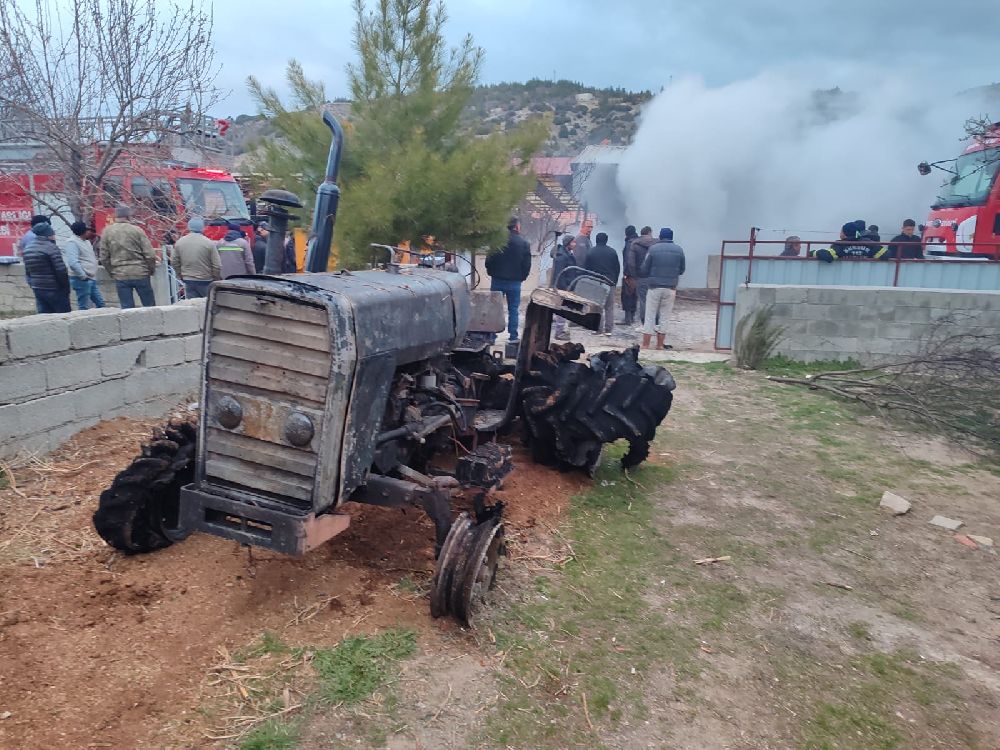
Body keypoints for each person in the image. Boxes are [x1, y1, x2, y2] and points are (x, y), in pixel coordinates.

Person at [99, 204, 157, 307]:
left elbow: (104, 257)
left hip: (120, 275)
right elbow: (150, 254)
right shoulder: (137, 230)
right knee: (149, 306)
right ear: (128, 217)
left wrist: (112, 272)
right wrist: (150, 270)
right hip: (141, 273)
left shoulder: (107, 232)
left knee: (127, 309)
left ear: (116, 216)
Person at [485, 217, 532, 342]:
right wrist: (522, 277)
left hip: (497, 280)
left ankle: (492, 336)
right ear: (516, 227)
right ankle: (513, 336)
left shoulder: (497, 242)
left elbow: (489, 260)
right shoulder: (524, 243)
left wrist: (491, 272)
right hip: (514, 282)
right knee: (513, 309)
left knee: (494, 309)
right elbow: (527, 264)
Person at [639, 227, 685, 350]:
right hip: (671, 288)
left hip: (654, 287)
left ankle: (645, 344)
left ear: (660, 237)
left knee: (650, 315)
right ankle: (659, 345)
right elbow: (682, 270)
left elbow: (644, 268)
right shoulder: (679, 250)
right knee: (665, 316)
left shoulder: (653, 249)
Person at [22, 222, 71, 313]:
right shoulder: (51, 247)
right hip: (54, 288)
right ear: (48, 234)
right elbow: (61, 270)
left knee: (45, 317)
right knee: (63, 316)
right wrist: (65, 288)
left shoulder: (28, 248)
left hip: (38, 288)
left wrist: (33, 285)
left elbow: (28, 272)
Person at [171, 217, 222, 299]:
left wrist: (180, 275)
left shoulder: (180, 242)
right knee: (208, 305)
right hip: (206, 280)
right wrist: (215, 278)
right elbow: (217, 265)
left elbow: (174, 262)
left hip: (188, 280)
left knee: (192, 306)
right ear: (202, 228)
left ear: (189, 227)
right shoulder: (209, 243)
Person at [584, 232, 621, 335]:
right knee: (609, 307)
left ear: (596, 240)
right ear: (606, 240)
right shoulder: (612, 252)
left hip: (596, 283)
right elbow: (617, 268)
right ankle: (608, 330)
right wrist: (614, 281)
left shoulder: (591, 252)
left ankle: (597, 329)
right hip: (609, 281)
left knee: (597, 306)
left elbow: (586, 269)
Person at [64, 221, 105, 309]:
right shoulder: (72, 243)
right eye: (87, 230)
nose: (89, 232)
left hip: (90, 277)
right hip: (81, 279)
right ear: (83, 232)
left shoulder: (86, 242)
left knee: (100, 303)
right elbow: (73, 262)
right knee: (84, 305)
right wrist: (82, 275)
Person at [816, 222, 887, 262]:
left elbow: (827, 255)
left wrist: (813, 252)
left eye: (841, 231)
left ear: (844, 234)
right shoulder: (870, 244)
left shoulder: (840, 245)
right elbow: (886, 254)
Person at [551, 234, 577, 340]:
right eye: (573, 242)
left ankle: (560, 330)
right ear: (568, 243)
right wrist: (564, 288)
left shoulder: (567, 254)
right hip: (563, 287)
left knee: (561, 309)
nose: (575, 244)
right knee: (562, 309)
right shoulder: (562, 256)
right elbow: (559, 273)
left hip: (567, 285)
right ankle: (559, 332)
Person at [630, 226, 657, 327]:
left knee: (643, 301)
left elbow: (631, 263)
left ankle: (645, 323)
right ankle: (655, 323)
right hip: (654, 277)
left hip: (641, 277)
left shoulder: (635, 244)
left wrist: (634, 276)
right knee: (655, 300)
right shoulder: (657, 244)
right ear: (649, 232)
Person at [620, 225, 639, 325]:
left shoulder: (629, 243)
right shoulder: (639, 242)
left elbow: (628, 260)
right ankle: (632, 316)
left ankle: (628, 319)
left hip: (630, 274)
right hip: (639, 274)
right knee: (634, 295)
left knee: (627, 295)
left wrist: (627, 274)